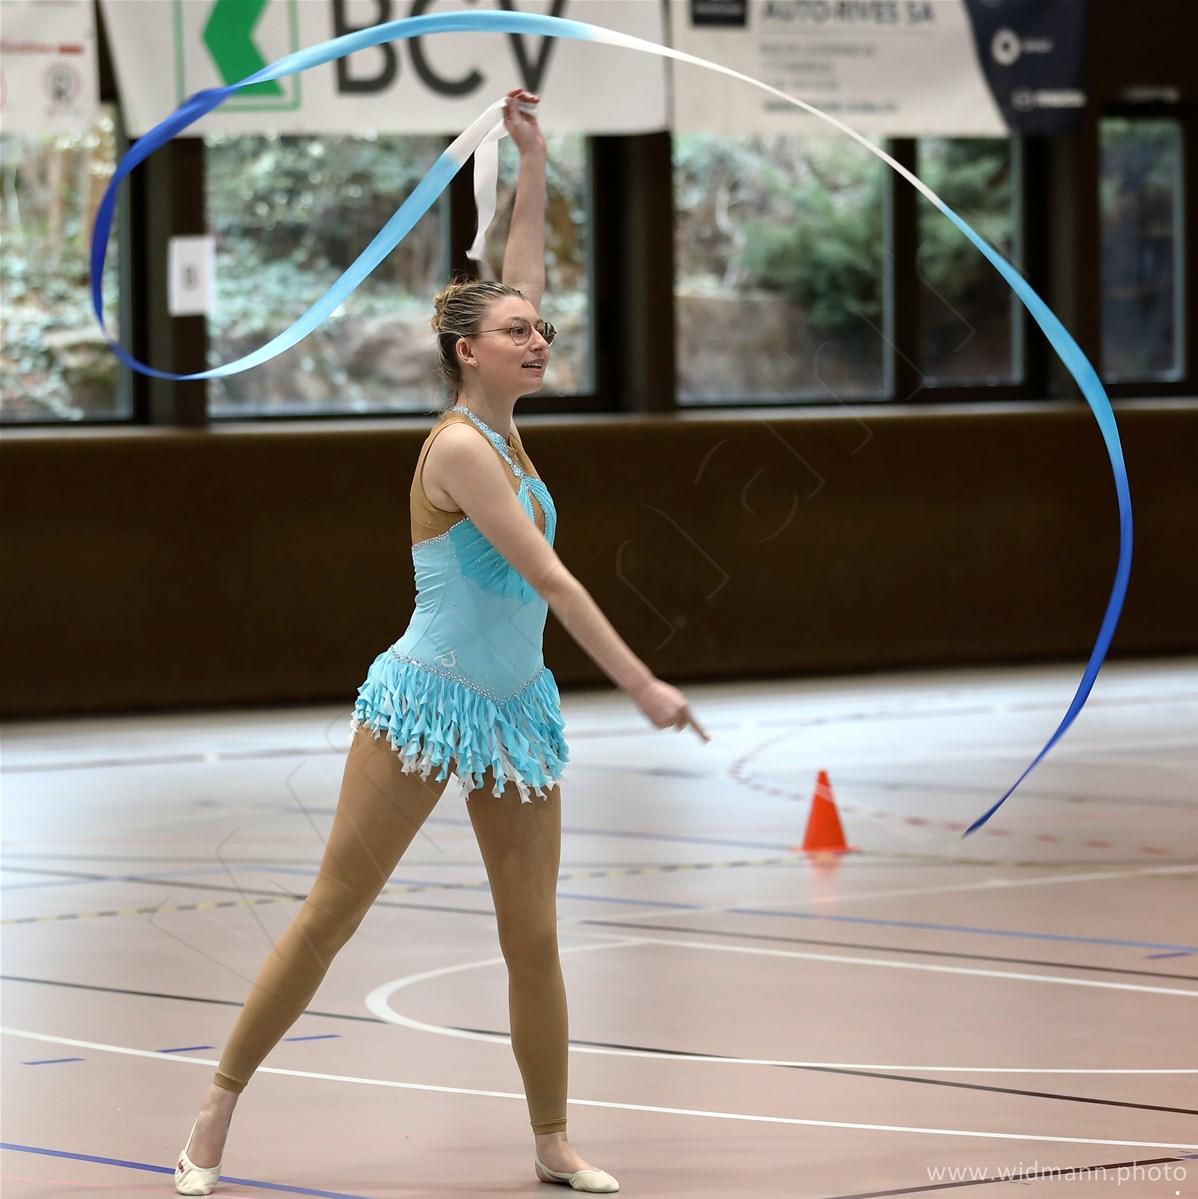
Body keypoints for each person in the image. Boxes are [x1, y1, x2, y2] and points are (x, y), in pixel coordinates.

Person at [174, 89, 709, 1196]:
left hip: (517, 709)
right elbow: (550, 577)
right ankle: (216, 1105)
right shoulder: (461, 448)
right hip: (427, 698)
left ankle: (553, 1139)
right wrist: (644, 682)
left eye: (541, 330)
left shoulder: (506, 425)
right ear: (468, 354)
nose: (539, 338)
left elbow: (522, 271)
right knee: (331, 914)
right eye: (519, 333)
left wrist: (533, 160)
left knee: (533, 937)